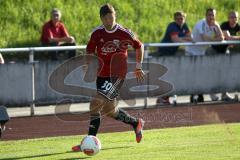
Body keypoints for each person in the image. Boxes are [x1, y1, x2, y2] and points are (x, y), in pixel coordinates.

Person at [72, 4, 145, 152]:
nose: (109, 19)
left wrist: (138, 66)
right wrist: (87, 63)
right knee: (110, 110)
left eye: (111, 16)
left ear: (115, 15)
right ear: (102, 19)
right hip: (102, 74)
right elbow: (90, 49)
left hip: (117, 75)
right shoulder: (97, 33)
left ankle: (88, 141)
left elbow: (139, 46)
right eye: (106, 17)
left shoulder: (124, 33)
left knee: (95, 104)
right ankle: (136, 123)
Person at [186, 8, 224, 103]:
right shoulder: (201, 23)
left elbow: (222, 38)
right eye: (209, 15)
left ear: (215, 16)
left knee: (205, 73)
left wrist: (217, 27)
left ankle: (203, 94)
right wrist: (216, 40)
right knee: (194, 74)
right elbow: (204, 38)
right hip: (191, 52)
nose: (211, 17)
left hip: (202, 52)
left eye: (213, 15)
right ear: (206, 15)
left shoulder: (216, 24)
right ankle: (194, 95)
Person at [156, 11, 192, 105]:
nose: (180, 20)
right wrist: (184, 39)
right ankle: (161, 98)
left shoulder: (185, 26)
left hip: (172, 53)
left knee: (171, 76)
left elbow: (191, 38)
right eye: (178, 19)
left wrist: (182, 39)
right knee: (165, 76)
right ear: (175, 19)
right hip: (163, 53)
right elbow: (175, 40)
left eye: (182, 18)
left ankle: (165, 97)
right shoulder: (172, 26)